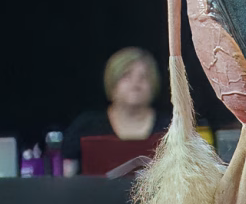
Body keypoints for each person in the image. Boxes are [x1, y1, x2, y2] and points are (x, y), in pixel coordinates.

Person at [62, 47, 171, 176]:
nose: (136, 84)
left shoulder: (171, 127)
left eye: (144, 77)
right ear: (112, 82)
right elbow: (64, 177)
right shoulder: (86, 126)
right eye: (126, 76)